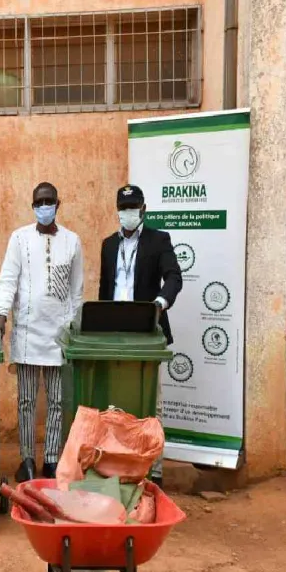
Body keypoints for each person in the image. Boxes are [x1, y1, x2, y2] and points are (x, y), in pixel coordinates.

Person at [0, 182, 84, 482]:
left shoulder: (72, 241)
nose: (44, 206)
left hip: (58, 337)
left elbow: (76, 292)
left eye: (49, 201)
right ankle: (27, 459)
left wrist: (71, 328)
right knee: (26, 402)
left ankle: (51, 460)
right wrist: (1, 315)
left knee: (58, 402)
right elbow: (8, 279)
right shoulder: (19, 239)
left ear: (58, 203)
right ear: (32, 205)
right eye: (39, 201)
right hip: (28, 334)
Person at [98, 184, 182, 487]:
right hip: (114, 332)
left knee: (151, 402)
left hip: (147, 329)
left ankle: (154, 472)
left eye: (133, 207)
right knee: (116, 402)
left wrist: (160, 302)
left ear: (143, 209)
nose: (127, 213)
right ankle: (119, 467)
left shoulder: (159, 240)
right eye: (123, 208)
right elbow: (105, 289)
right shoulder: (109, 244)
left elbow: (174, 276)